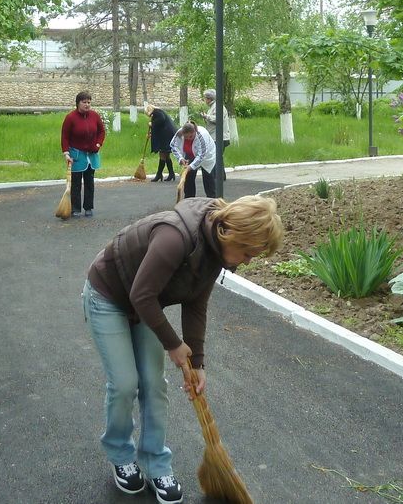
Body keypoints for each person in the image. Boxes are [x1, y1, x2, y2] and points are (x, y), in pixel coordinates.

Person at [83, 195, 283, 503]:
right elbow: (142, 295)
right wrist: (174, 344)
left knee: (153, 384)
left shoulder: (216, 253)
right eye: (247, 253)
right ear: (231, 233)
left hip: (145, 304)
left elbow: (195, 304)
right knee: (125, 384)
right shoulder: (175, 237)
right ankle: (121, 455)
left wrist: (198, 363)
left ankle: (155, 462)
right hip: (109, 296)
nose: (247, 261)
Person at [61, 91, 105, 218]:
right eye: (84, 102)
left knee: (89, 182)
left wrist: (98, 144)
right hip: (77, 155)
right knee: (75, 183)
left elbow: (101, 131)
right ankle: (75, 209)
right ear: (78, 103)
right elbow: (65, 137)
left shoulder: (94, 116)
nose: (87, 105)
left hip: (91, 155)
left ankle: (88, 207)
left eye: (89, 102)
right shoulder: (70, 118)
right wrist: (66, 153)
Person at [169, 121, 217, 199]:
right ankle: (189, 200)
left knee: (209, 180)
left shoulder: (202, 135)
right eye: (186, 137)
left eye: (191, 137)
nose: (188, 139)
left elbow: (201, 156)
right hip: (190, 155)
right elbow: (173, 146)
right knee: (188, 180)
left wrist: (190, 167)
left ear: (194, 131)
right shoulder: (179, 133)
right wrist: (180, 158)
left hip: (207, 156)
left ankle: (213, 202)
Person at [201, 89, 230, 180]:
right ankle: (221, 176)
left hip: (219, 136)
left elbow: (218, 119)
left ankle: (219, 177)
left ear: (209, 98)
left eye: (205, 98)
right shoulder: (213, 107)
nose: (205, 100)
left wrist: (206, 116)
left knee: (217, 156)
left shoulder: (218, 106)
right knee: (217, 156)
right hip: (215, 136)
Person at [145, 104, 177, 183]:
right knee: (166, 155)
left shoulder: (157, 112)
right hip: (167, 134)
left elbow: (161, 120)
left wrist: (152, 124)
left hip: (166, 136)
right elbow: (160, 127)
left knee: (163, 154)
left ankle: (159, 174)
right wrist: (151, 133)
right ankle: (171, 173)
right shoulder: (159, 112)